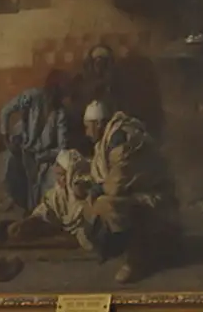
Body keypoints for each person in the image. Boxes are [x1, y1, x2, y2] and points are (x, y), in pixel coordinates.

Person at [74, 111, 180, 284]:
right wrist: (89, 186)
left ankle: (136, 260)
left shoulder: (121, 139)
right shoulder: (109, 140)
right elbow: (107, 177)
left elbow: (116, 184)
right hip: (139, 196)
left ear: (98, 124)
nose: (86, 132)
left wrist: (96, 189)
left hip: (156, 201)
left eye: (87, 127)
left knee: (107, 205)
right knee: (93, 204)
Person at [0, 71, 76, 212]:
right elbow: (5, 111)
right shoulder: (31, 97)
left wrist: (43, 156)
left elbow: (62, 148)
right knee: (11, 175)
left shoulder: (60, 114)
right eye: (59, 91)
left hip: (42, 158)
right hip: (21, 149)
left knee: (48, 185)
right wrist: (6, 137)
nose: (60, 97)